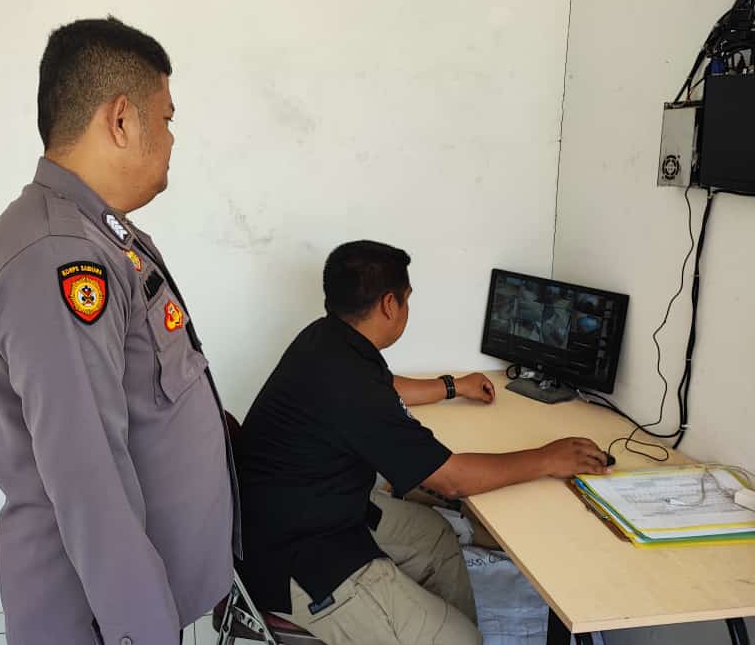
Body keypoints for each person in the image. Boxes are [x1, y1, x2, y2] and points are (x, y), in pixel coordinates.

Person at [0, 17, 238, 645]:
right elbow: (89, 477)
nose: (172, 138)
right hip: (100, 617)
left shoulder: (100, 233)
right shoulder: (57, 256)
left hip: (131, 599)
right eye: (166, 118)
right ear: (121, 119)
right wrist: (141, 632)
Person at [239, 240, 609, 645]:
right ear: (389, 305)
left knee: (436, 539)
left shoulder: (328, 339)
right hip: (299, 564)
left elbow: (385, 388)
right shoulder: (349, 382)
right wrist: (546, 458)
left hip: (316, 512)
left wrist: (453, 386)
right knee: (462, 641)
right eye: (407, 298)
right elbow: (452, 480)